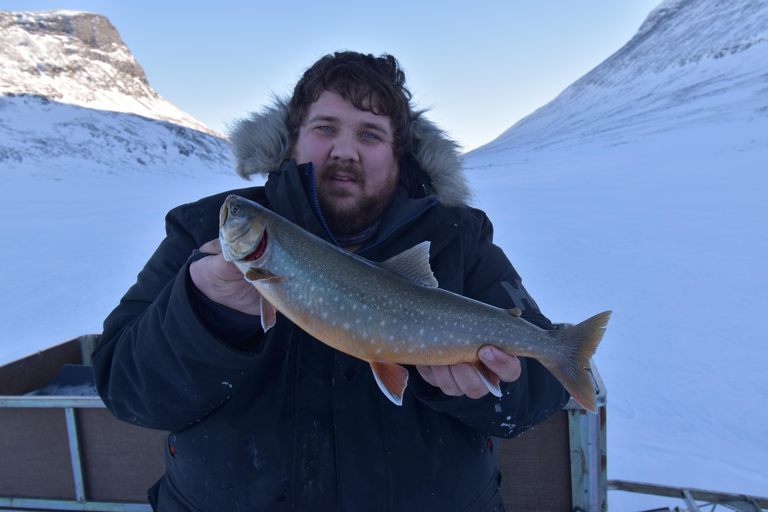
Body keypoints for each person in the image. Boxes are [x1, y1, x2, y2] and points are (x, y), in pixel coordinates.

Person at [93, 51, 570, 512]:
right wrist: (204, 313)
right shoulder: (201, 231)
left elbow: (541, 387)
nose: (345, 150)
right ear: (292, 140)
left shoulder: (458, 239)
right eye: (325, 128)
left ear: (398, 154)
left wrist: (487, 386)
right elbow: (125, 389)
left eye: (370, 134)